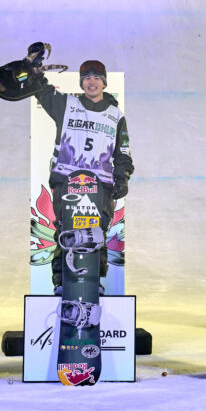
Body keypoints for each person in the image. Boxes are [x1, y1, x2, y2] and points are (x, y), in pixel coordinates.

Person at [35, 59, 134, 294]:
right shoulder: (66, 104)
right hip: (67, 179)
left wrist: (123, 177)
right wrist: (35, 71)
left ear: (104, 83)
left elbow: (123, 151)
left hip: (100, 183)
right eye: (87, 78)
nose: (92, 82)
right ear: (81, 83)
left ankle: (93, 279)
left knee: (96, 231)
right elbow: (41, 92)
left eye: (97, 78)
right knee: (65, 230)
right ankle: (61, 281)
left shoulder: (115, 115)